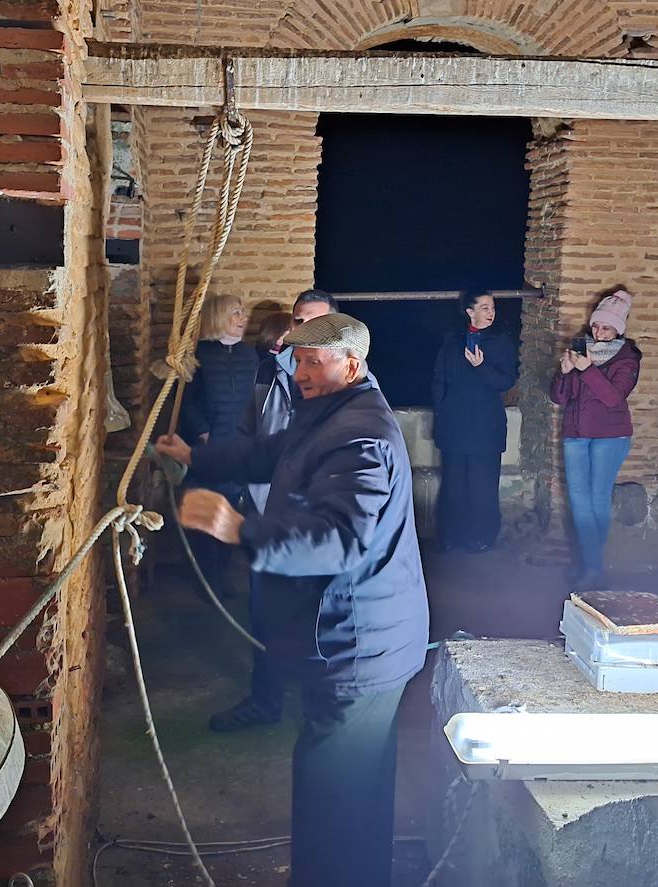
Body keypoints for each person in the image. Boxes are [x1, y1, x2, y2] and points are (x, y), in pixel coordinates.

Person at [155, 313, 428, 887]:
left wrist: (240, 530)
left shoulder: (362, 436)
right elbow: (267, 454)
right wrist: (194, 458)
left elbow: (341, 539)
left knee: (334, 791)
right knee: (354, 783)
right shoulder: (329, 413)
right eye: (296, 360)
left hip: (358, 642)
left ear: (351, 365)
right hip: (363, 636)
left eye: (313, 362)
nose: (300, 372)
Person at [209, 289, 338, 733]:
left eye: (319, 324)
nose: (306, 331)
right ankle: (265, 701)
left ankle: (323, 704)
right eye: (300, 322)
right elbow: (253, 432)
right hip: (270, 515)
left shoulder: (341, 384)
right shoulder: (271, 371)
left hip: (315, 523)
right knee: (264, 613)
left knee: (318, 616)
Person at [550, 289, 640, 589]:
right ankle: (590, 564)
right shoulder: (580, 352)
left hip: (609, 436)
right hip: (576, 434)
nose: (598, 332)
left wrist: (586, 369)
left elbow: (613, 398)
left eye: (606, 327)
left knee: (597, 498)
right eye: (596, 325)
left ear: (618, 330)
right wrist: (563, 374)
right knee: (578, 500)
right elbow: (560, 398)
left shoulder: (627, 359)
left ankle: (593, 566)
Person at [178, 292, 259, 596]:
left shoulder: (249, 356)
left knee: (229, 512)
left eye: (243, 313)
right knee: (204, 514)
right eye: (236, 313)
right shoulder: (198, 356)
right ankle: (204, 579)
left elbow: (255, 401)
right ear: (218, 317)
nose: (243, 319)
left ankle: (221, 577)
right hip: (207, 448)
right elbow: (187, 403)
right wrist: (202, 432)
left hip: (238, 448)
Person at [431, 288, 519, 553]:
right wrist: (441, 410)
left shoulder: (501, 341)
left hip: (485, 424)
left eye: (492, 307)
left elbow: (505, 381)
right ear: (469, 311)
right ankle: (450, 537)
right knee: (454, 485)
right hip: (455, 423)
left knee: (482, 485)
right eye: (484, 308)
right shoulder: (453, 341)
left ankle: (482, 538)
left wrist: (481, 367)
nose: (491, 313)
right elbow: (440, 378)